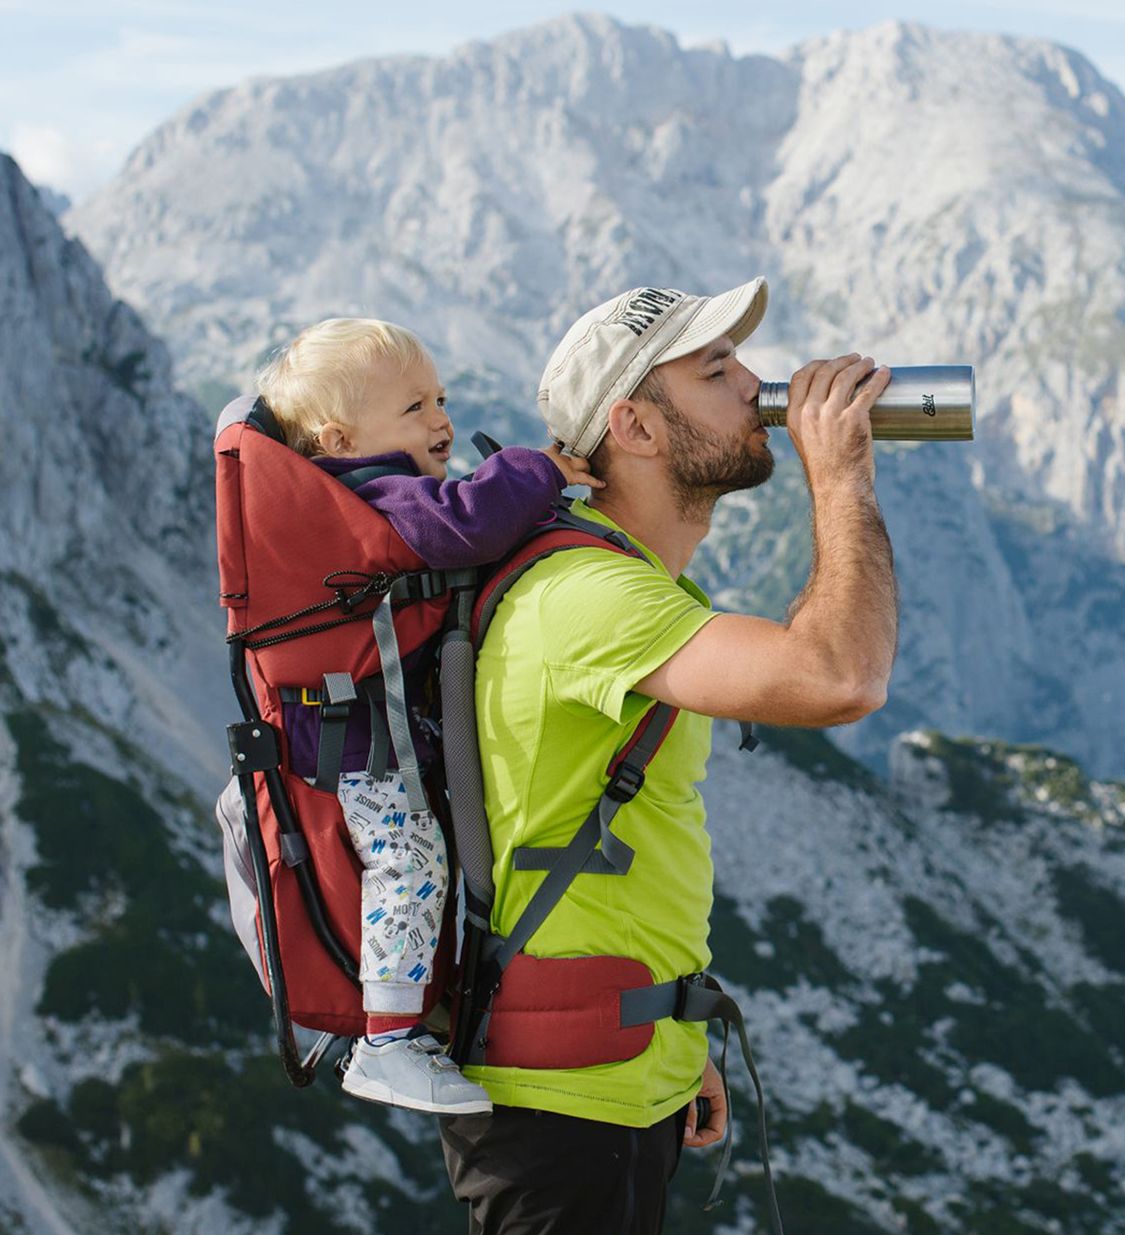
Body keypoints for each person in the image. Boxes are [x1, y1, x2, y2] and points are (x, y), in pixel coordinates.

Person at [437, 277, 899, 1233]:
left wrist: (670, 1035)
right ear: (635, 428)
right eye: (717, 368)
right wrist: (840, 473)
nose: (759, 386)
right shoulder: (585, 596)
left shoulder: (621, 581)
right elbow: (840, 678)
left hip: (607, 1075)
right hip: (559, 1110)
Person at [254, 317, 600, 1114]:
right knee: (410, 860)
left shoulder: (352, 496)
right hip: (362, 745)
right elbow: (462, 523)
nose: (441, 419)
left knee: (424, 859)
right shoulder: (374, 490)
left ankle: (409, 1012)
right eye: (415, 407)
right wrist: (537, 471)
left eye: (439, 398)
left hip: (360, 733)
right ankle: (386, 1042)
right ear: (341, 438)